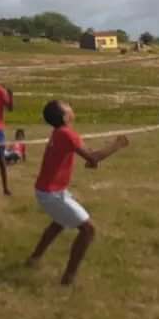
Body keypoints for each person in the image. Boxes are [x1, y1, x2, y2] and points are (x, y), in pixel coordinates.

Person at [27, 100, 129, 285]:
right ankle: (68, 278)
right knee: (88, 230)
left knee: (58, 223)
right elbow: (92, 156)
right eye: (68, 107)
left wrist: (91, 160)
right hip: (51, 194)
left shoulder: (60, 133)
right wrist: (116, 145)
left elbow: (86, 157)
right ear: (65, 116)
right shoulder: (67, 134)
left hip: (51, 190)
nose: (71, 108)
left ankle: (34, 258)